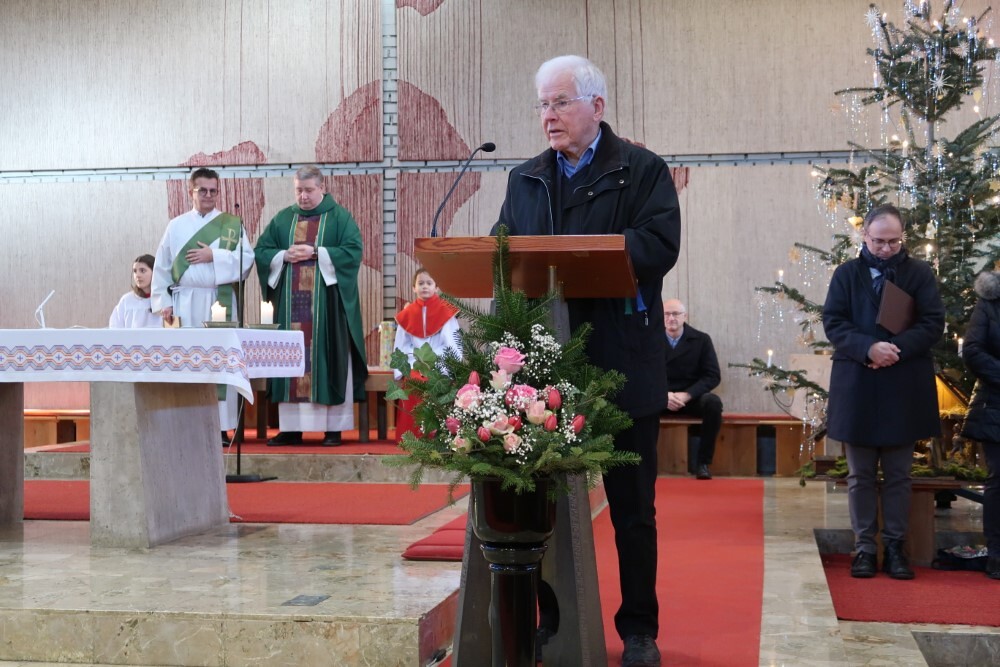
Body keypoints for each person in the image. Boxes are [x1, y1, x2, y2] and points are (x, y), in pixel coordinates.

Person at [494, 55, 680, 667]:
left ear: (596, 107)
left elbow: (659, 245)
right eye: (542, 104)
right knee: (538, 508)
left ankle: (639, 631)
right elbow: (502, 251)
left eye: (560, 103)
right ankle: (550, 621)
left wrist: (583, 255)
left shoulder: (642, 170)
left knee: (633, 511)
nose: (548, 116)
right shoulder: (526, 179)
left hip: (622, 362)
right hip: (546, 369)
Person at [822, 204, 944, 580]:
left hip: (902, 385)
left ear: (902, 237)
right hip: (857, 384)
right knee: (860, 476)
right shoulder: (847, 274)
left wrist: (895, 349)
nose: (886, 248)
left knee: (898, 475)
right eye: (879, 241)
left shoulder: (919, 273)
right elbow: (834, 322)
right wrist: (868, 348)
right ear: (865, 236)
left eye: (894, 241)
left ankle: (894, 548)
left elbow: (932, 322)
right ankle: (864, 548)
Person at [254, 165, 368, 447]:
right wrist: (283, 256)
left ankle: (333, 429)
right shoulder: (283, 219)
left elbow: (353, 252)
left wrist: (317, 252)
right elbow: (262, 251)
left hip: (327, 309)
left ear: (322, 188)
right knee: (292, 361)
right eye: (299, 191)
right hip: (292, 309)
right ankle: (292, 429)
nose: (303, 196)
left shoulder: (339, 217)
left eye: (308, 190)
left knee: (328, 359)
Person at [150, 168, 254, 442]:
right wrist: (164, 302)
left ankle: (220, 426)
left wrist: (214, 255)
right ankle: (188, 424)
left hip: (219, 299)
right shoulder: (176, 226)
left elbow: (247, 260)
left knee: (219, 362)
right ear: (191, 192)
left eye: (213, 191)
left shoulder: (231, 224)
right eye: (203, 190)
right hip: (185, 303)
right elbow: (162, 266)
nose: (209, 195)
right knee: (187, 360)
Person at [959, 270, 1000, 580]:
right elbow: (972, 350)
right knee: (999, 481)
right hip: (997, 405)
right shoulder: (990, 301)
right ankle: (997, 554)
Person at [393, 268, 461, 442]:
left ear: (437, 287)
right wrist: (402, 370)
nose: (425, 286)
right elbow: (401, 346)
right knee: (412, 382)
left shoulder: (446, 312)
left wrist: (454, 367)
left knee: (436, 383)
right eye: (421, 283)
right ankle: (412, 438)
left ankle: (438, 437)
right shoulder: (406, 315)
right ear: (414, 288)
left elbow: (452, 343)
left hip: (440, 363)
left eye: (429, 283)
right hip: (415, 363)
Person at [662, 299, 722, 480]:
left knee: (713, 403)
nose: (671, 318)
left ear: (685, 316)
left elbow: (712, 375)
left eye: (675, 314)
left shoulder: (701, 340)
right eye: (666, 314)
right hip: (660, 397)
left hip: (690, 397)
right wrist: (663, 395)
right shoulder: (650, 340)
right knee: (636, 404)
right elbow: (642, 373)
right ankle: (643, 463)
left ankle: (703, 463)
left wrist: (687, 395)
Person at [109, 254, 161, 329]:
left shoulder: (164, 300)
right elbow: (115, 327)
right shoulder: (127, 300)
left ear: (155, 272)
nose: (137, 275)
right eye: (135, 271)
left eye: (142, 270)